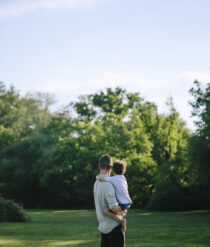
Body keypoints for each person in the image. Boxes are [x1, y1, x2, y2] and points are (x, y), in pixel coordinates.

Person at [94, 154, 126, 247]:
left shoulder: (96, 183)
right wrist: (124, 210)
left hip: (103, 228)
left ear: (99, 166)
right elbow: (114, 208)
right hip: (114, 228)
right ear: (111, 167)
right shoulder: (108, 184)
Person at [96, 160, 132, 232]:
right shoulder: (123, 178)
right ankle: (122, 212)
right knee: (115, 212)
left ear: (113, 170)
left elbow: (100, 179)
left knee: (106, 211)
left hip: (123, 204)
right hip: (127, 202)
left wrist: (97, 177)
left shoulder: (113, 179)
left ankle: (122, 221)